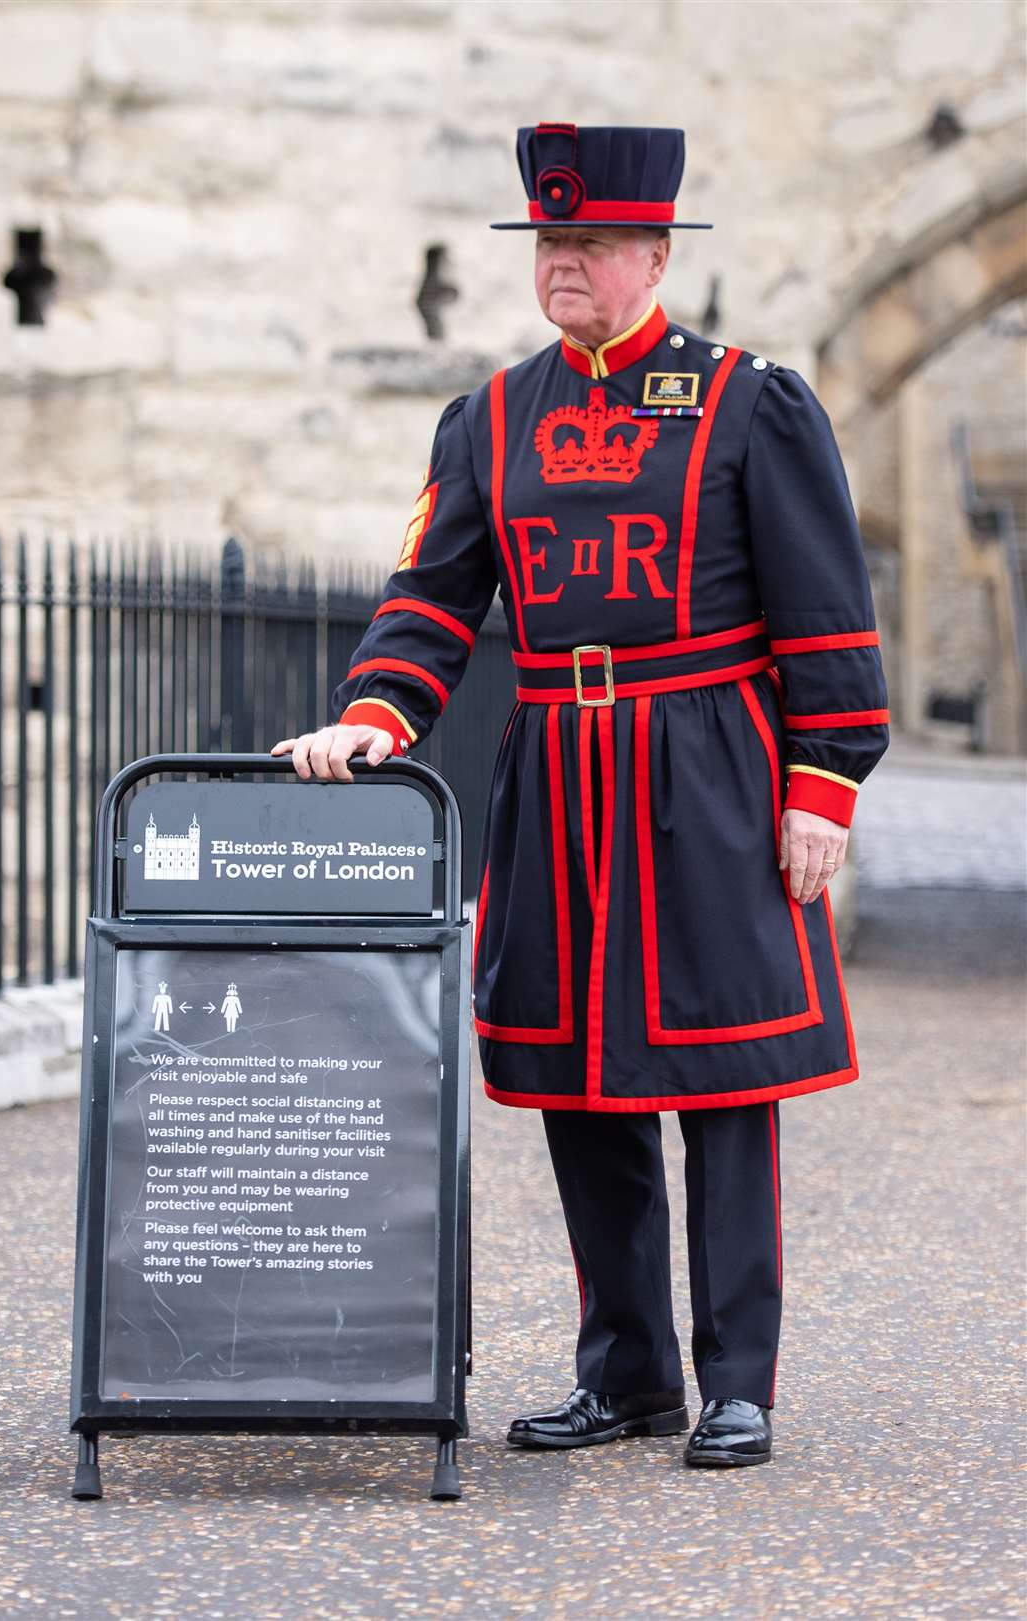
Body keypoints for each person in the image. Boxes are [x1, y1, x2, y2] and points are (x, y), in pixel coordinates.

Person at [272, 123, 890, 1468]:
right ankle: (628, 1372)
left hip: (712, 769)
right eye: (552, 243)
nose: (565, 264)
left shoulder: (749, 401)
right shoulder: (491, 418)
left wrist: (824, 784)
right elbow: (433, 597)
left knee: (725, 1085)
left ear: (654, 255)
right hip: (555, 771)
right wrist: (377, 717)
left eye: (592, 244)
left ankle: (739, 1380)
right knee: (580, 1084)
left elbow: (827, 616)